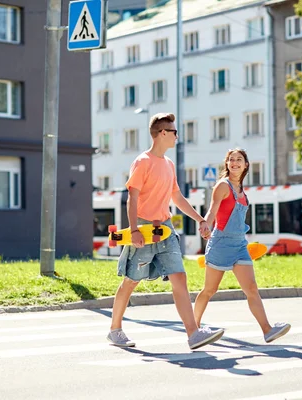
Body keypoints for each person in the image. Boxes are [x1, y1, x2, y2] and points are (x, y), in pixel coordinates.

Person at [107, 112, 224, 350]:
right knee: (131, 281)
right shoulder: (143, 162)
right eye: (173, 132)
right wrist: (135, 229)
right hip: (144, 228)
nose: (177, 136)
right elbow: (132, 197)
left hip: (165, 229)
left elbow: (177, 197)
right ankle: (115, 329)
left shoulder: (169, 164)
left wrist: (200, 219)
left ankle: (193, 334)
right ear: (162, 134)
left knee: (179, 277)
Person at [193, 148, 291, 343]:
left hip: (239, 244)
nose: (235, 163)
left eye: (239, 160)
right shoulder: (223, 186)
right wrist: (206, 224)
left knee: (252, 289)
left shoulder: (242, 191)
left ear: (246, 165)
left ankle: (267, 330)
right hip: (221, 243)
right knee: (209, 290)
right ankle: (193, 329)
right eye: (231, 160)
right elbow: (212, 210)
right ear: (227, 164)